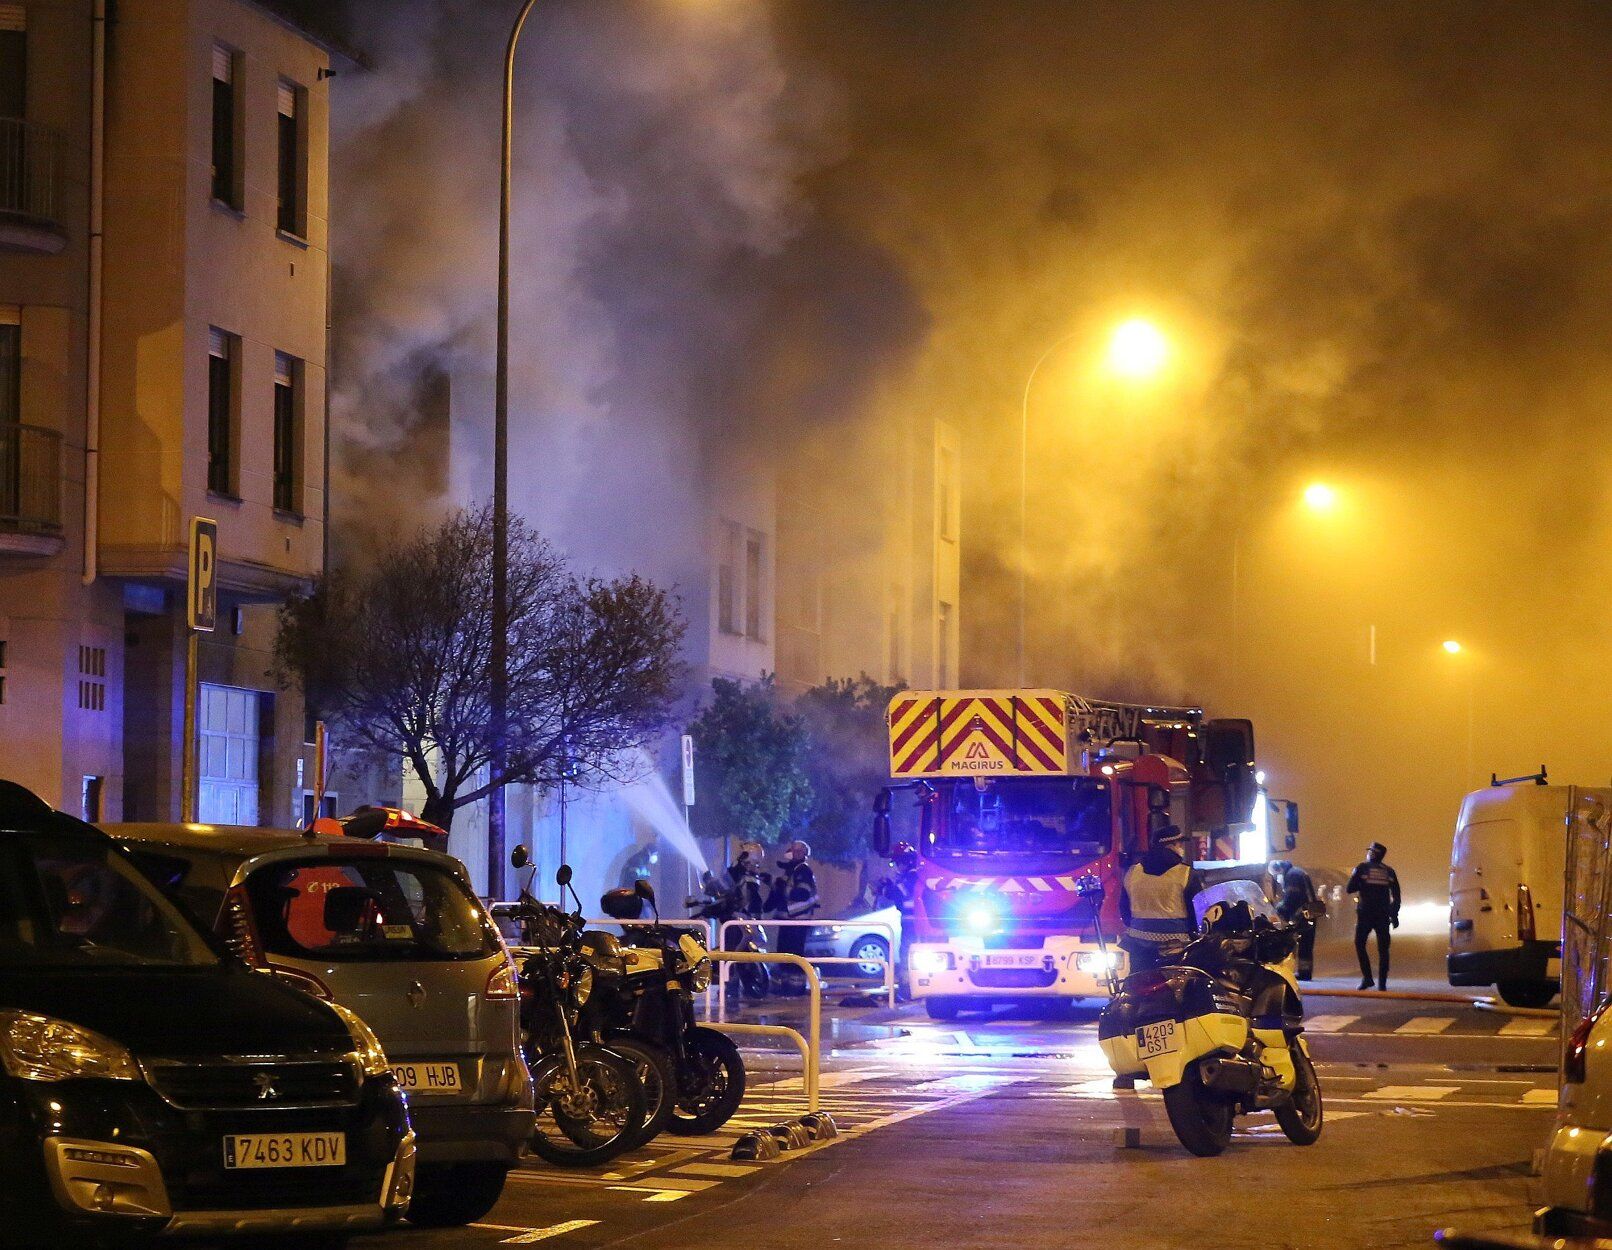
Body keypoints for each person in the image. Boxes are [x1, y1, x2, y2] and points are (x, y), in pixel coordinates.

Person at [1119, 826, 1203, 975]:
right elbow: (1197, 913)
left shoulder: (1133, 872)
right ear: (1170, 846)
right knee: (1176, 989)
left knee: (1138, 986)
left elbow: (1124, 910)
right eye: (1180, 844)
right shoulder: (1186, 874)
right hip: (1176, 946)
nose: (1181, 848)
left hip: (1138, 944)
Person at [1347, 841, 1401, 990]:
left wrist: (1362, 884)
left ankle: (1368, 978)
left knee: (1360, 943)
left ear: (1373, 853)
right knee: (1383, 949)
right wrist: (1394, 915)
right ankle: (1382, 984)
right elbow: (1396, 895)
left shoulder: (1362, 868)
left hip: (1365, 914)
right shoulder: (1389, 871)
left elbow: (1349, 888)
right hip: (1383, 915)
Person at [770, 840, 819, 995]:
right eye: (794, 851)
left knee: (794, 957)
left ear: (804, 854)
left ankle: (794, 989)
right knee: (784, 955)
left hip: (798, 922)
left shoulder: (803, 870)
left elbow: (802, 894)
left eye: (799, 851)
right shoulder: (792, 870)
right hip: (789, 921)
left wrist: (783, 891)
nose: (795, 853)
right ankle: (785, 988)